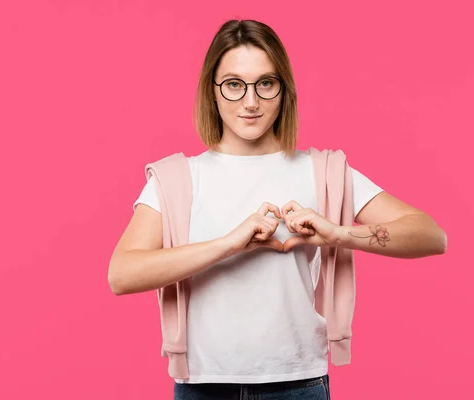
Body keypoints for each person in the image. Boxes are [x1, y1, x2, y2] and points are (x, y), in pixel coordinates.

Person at [108, 19, 447, 400]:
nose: (250, 102)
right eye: (234, 84)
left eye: (265, 83)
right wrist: (229, 244)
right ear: (213, 92)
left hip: (299, 385)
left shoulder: (323, 172)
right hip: (203, 387)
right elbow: (122, 274)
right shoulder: (177, 179)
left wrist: (337, 233)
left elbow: (431, 235)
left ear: (283, 91)